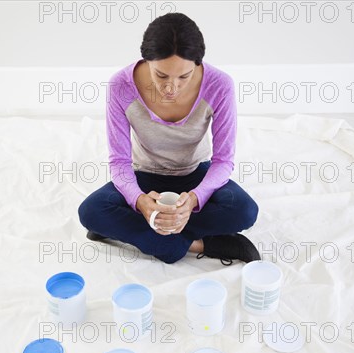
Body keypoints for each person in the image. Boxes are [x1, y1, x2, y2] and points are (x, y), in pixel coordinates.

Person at [78, 12, 260, 265]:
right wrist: (140, 202)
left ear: (197, 64)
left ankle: (128, 230)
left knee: (245, 211)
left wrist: (194, 200)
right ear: (146, 60)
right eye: (161, 75)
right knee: (90, 211)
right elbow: (119, 161)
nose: (170, 87)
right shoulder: (120, 85)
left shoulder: (220, 85)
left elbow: (223, 161)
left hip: (196, 173)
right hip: (144, 176)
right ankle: (203, 244)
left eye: (183, 77)